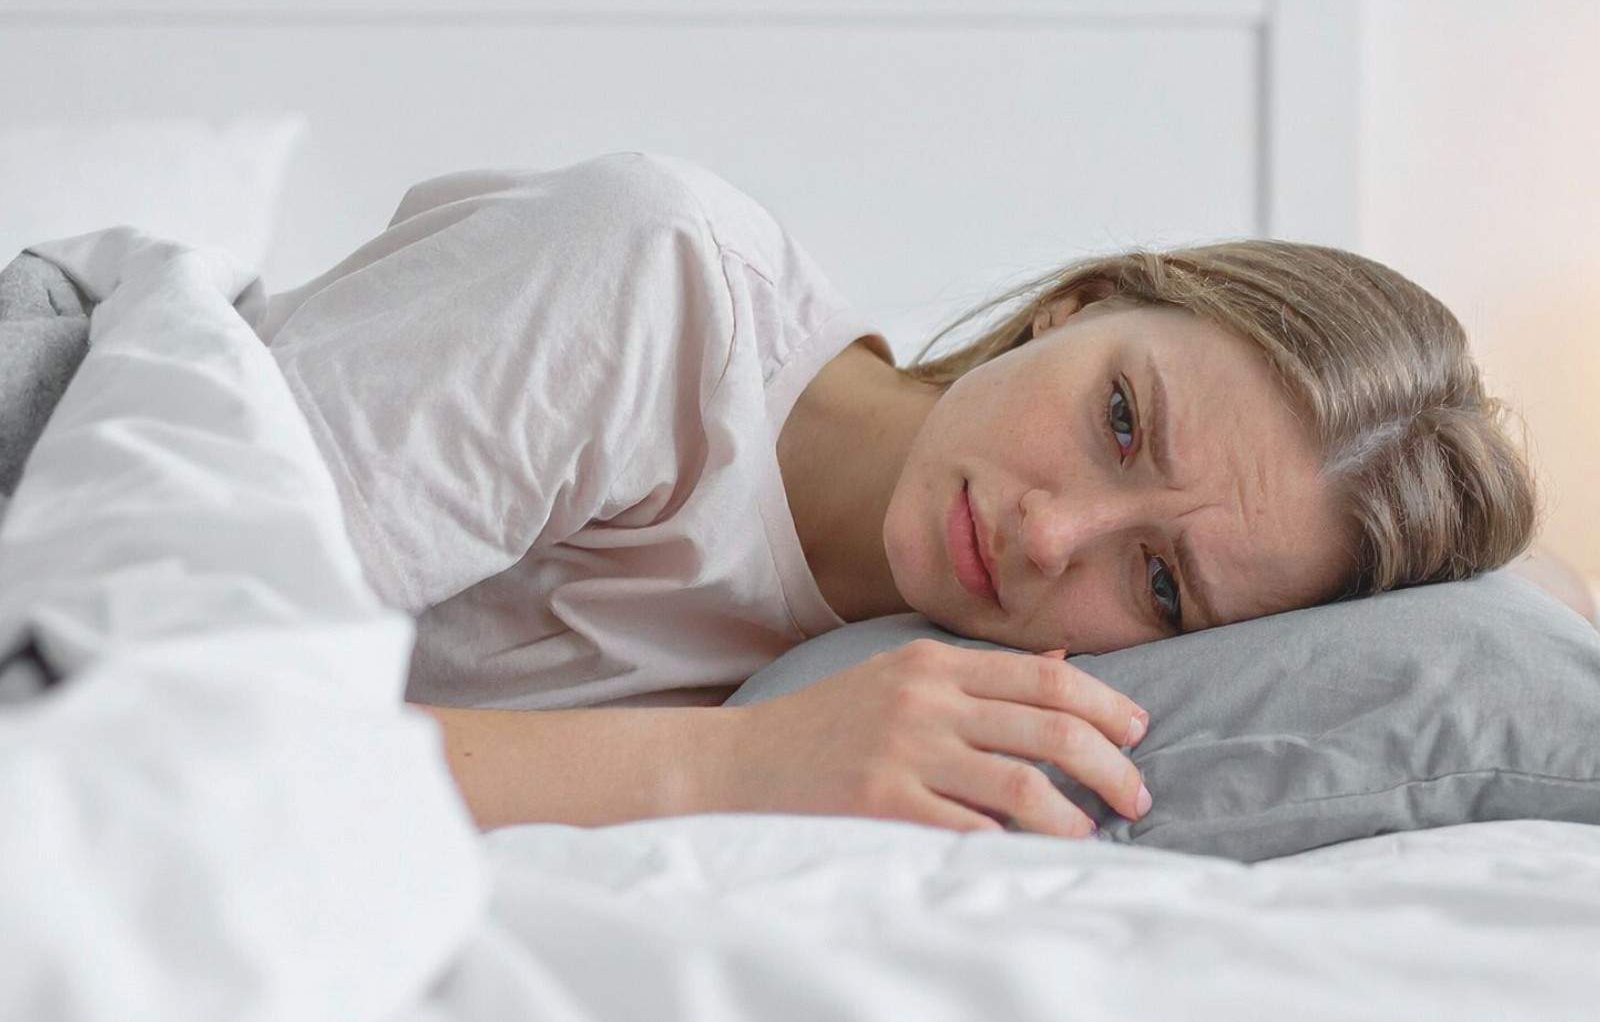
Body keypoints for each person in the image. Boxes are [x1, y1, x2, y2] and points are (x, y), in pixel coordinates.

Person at [261, 151, 1545, 841]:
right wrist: (739, 762)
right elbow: (171, 707)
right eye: (1119, 421)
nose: (1051, 533)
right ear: (1073, 306)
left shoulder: (929, 687)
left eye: (1159, 584)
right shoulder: (653, 283)